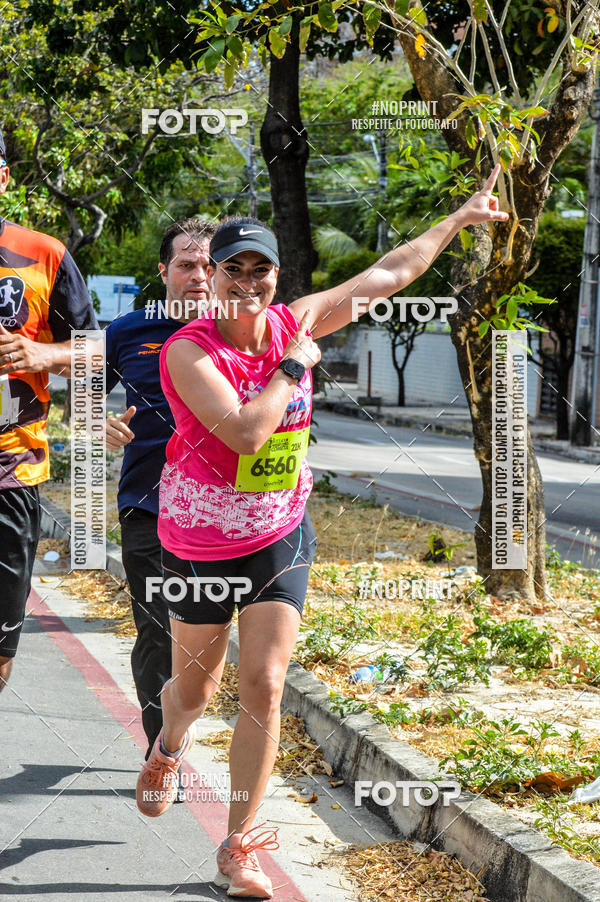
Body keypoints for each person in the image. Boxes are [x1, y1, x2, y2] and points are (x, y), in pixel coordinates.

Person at [136, 165, 509, 898]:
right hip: (202, 541)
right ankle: (168, 746)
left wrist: (459, 220)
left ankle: (238, 845)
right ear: (209, 277)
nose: (248, 282)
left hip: (278, 530)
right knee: (192, 691)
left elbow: (389, 273)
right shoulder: (190, 351)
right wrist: (294, 364)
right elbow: (246, 433)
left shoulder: (295, 318)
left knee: (265, 685)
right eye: (233, 268)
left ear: (277, 276)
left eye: (261, 269)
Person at [104, 218, 216, 761]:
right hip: (147, 504)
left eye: (209, 265)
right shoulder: (128, 331)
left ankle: (184, 721)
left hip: (228, 515)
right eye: (187, 264)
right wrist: (97, 425)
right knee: (155, 631)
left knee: (203, 643)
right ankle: (160, 752)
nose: (199, 275)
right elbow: (83, 398)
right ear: (163, 271)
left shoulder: (245, 330)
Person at [0, 125, 98, 689]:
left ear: (5, 177)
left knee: (0, 648)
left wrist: (39, 350)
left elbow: (94, 352)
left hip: (11, 476)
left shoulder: (44, 254)